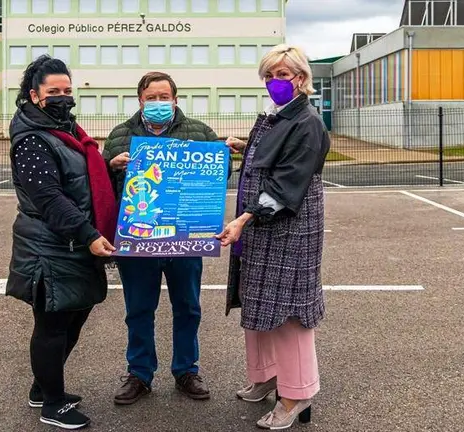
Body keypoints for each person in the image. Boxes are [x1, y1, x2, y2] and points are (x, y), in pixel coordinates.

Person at [217, 44, 330, 430]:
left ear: (301, 78)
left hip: (287, 228)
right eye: (269, 75)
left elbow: (287, 183)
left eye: (283, 74)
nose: (275, 82)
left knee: (289, 315)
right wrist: (245, 147)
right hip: (261, 230)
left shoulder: (308, 121)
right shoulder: (277, 116)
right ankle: (266, 375)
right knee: (259, 304)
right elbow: (274, 155)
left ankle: (296, 394)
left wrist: (244, 219)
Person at [5, 55, 117, 430]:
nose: (63, 97)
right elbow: (50, 198)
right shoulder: (32, 140)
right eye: (54, 92)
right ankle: (53, 404)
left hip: (72, 245)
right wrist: (89, 235)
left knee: (75, 318)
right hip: (50, 247)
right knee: (52, 326)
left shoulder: (65, 129)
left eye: (68, 91)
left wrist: (107, 166)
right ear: (34, 95)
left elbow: (78, 177)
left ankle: (43, 387)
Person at [102, 71, 221, 405]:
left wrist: (223, 156)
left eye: (163, 97)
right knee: (139, 310)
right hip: (138, 241)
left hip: (185, 240)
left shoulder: (199, 132)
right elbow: (101, 187)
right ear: (140, 100)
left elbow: (217, 174)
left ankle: (186, 370)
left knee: (188, 308)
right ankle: (139, 373)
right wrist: (112, 166)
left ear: (175, 99)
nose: (158, 103)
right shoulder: (120, 135)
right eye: (151, 97)